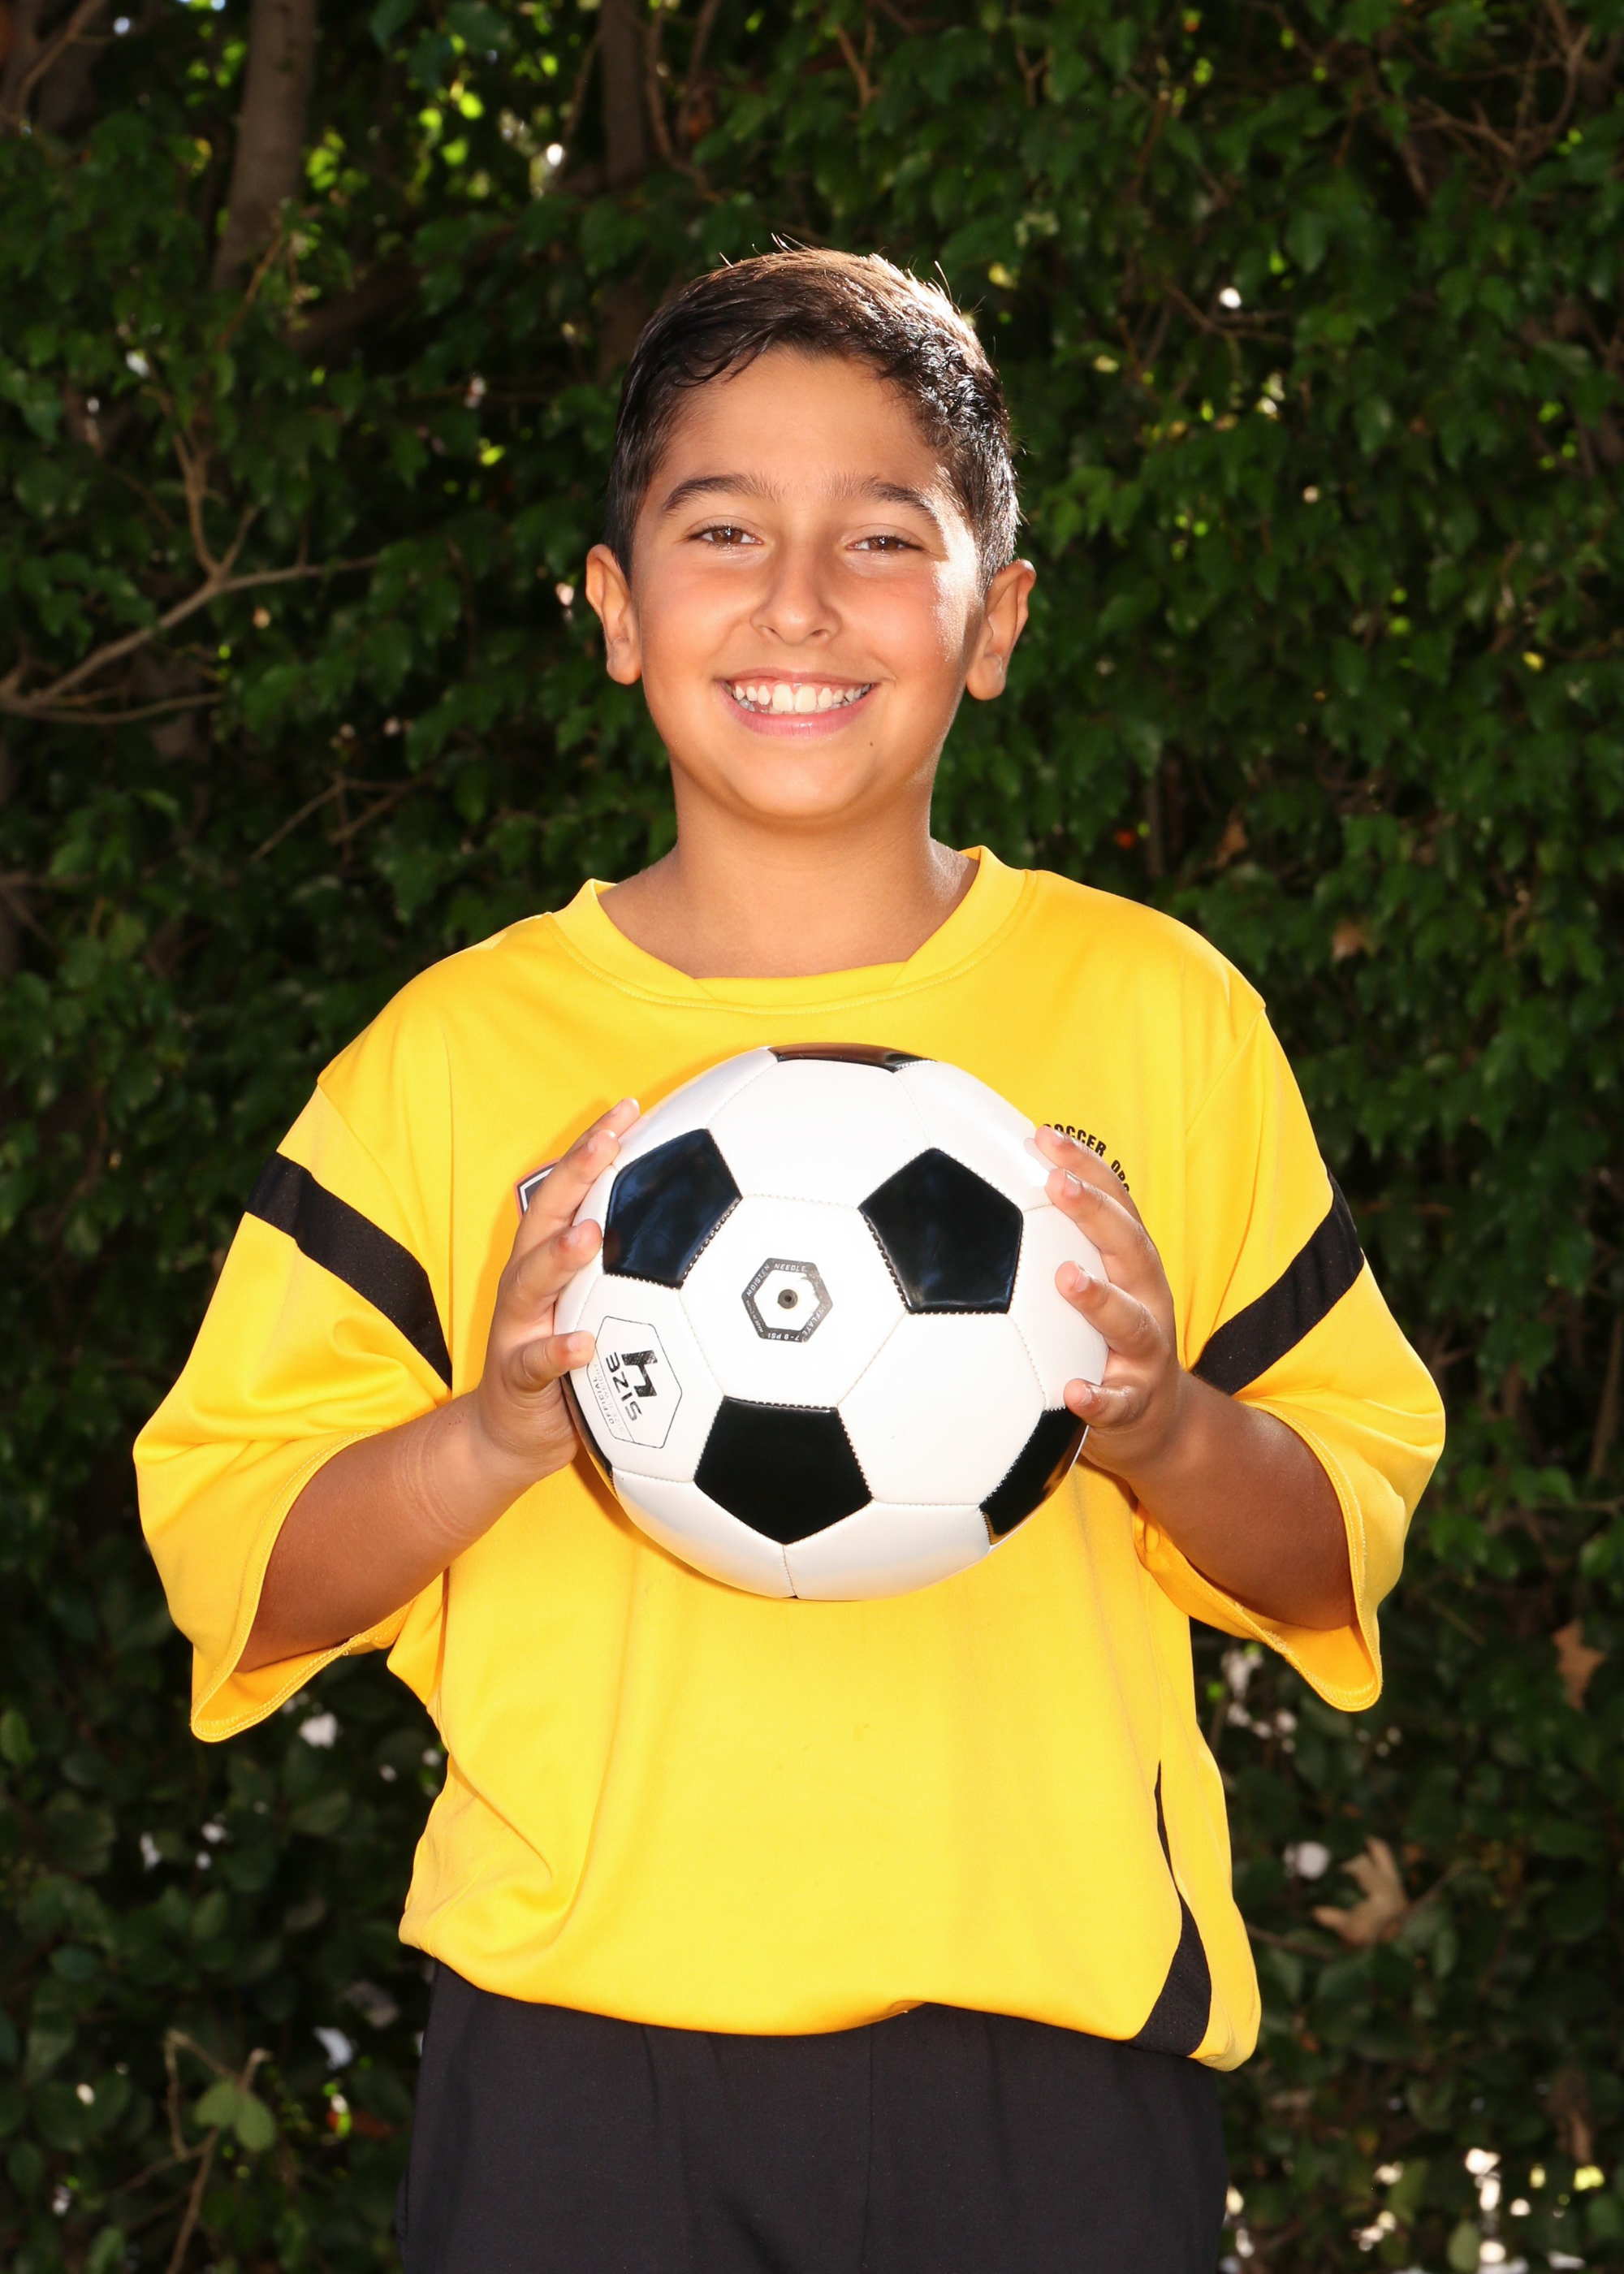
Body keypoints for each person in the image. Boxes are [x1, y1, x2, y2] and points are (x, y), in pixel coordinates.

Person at [135, 250, 1445, 2274]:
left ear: (994, 619)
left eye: (884, 536)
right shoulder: (449, 1058)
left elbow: (1331, 1549)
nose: (802, 601)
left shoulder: (1155, 1015)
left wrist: (1163, 1422)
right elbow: (240, 1565)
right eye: (725, 529)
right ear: (614, 608)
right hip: (584, 2077)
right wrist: (493, 1433)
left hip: (1046, 2071)